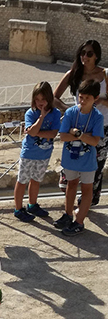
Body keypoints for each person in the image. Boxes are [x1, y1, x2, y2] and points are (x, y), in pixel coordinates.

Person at [53, 38, 108, 207]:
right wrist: (69, 110)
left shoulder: (105, 74)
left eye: (89, 53)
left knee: (95, 168)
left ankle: (85, 206)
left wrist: (100, 101)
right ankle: (70, 207)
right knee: (72, 162)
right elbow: (54, 97)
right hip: (77, 126)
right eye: (82, 53)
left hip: (101, 126)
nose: (85, 56)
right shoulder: (74, 73)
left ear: (97, 56)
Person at [53, 80, 104, 236]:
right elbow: (63, 136)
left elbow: (95, 140)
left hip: (88, 160)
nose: (82, 101)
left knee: (87, 189)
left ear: (95, 98)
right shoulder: (70, 112)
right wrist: (84, 136)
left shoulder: (97, 117)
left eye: (86, 98)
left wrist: (78, 134)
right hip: (70, 157)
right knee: (71, 184)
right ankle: (68, 214)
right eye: (80, 97)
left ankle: (79, 222)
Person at [13, 81, 60, 222]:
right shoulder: (31, 113)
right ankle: (18, 208)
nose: (40, 102)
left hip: (44, 154)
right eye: (37, 99)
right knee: (22, 180)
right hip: (29, 153)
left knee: (36, 180)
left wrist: (36, 132)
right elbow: (32, 132)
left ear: (49, 99)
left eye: (43, 99)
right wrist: (41, 117)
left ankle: (32, 204)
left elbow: (52, 134)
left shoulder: (56, 113)